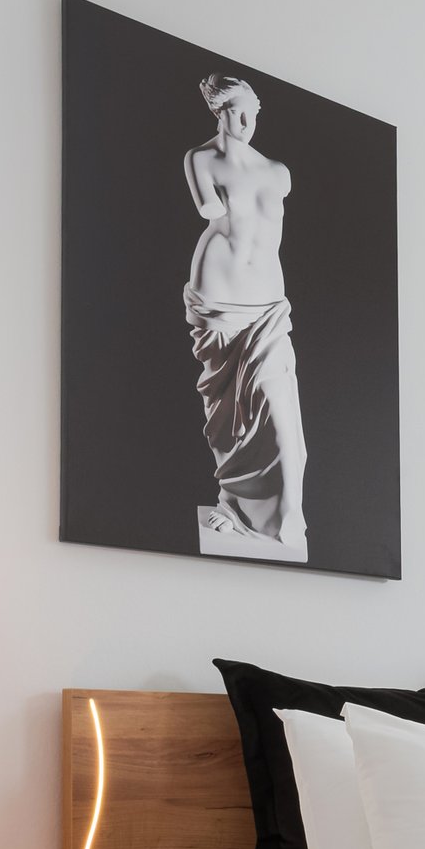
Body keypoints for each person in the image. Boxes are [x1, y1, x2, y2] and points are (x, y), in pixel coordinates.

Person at [183, 74, 307, 560]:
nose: (246, 121)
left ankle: (291, 513)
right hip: (219, 300)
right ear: (220, 111)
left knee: (283, 419)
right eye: (236, 110)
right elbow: (209, 209)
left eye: (252, 111)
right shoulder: (201, 160)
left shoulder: (278, 171)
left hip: (268, 305)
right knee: (231, 417)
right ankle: (233, 504)